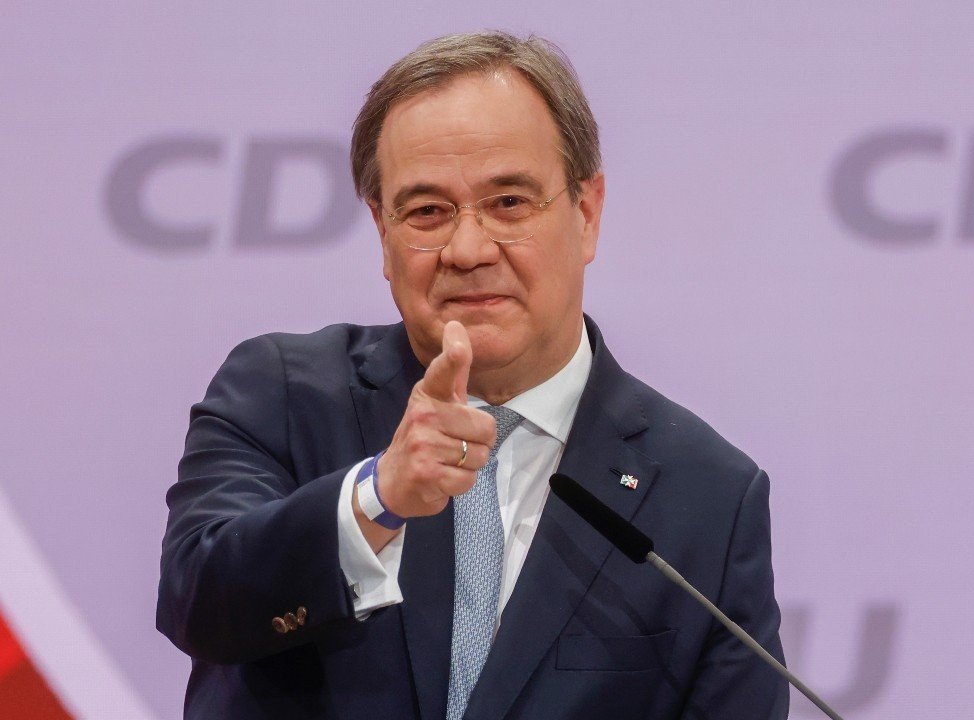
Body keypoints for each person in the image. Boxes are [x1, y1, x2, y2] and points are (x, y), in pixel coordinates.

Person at [157, 31, 787, 720]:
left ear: (586, 214)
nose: (467, 248)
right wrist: (378, 497)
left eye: (509, 202)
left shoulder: (706, 494)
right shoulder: (282, 395)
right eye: (427, 211)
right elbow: (198, 601)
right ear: (384, 234)